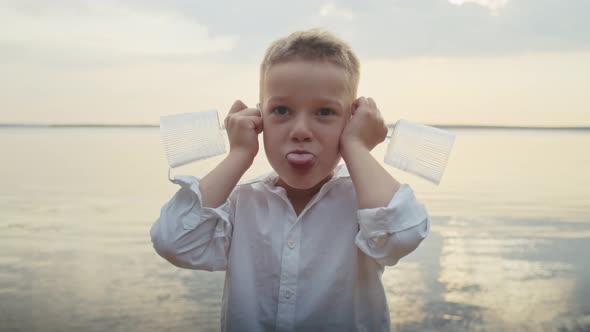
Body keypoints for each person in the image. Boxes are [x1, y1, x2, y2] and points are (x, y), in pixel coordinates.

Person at [150, 29, 430, 332]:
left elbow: (402, 235)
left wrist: (357, 147)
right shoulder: (241, 202)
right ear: (260, 118)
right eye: (281, 110)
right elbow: (173, 242)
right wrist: (239, 154)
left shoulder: (365, 202)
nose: (300, 131)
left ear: (352, 122)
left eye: (325, 111)